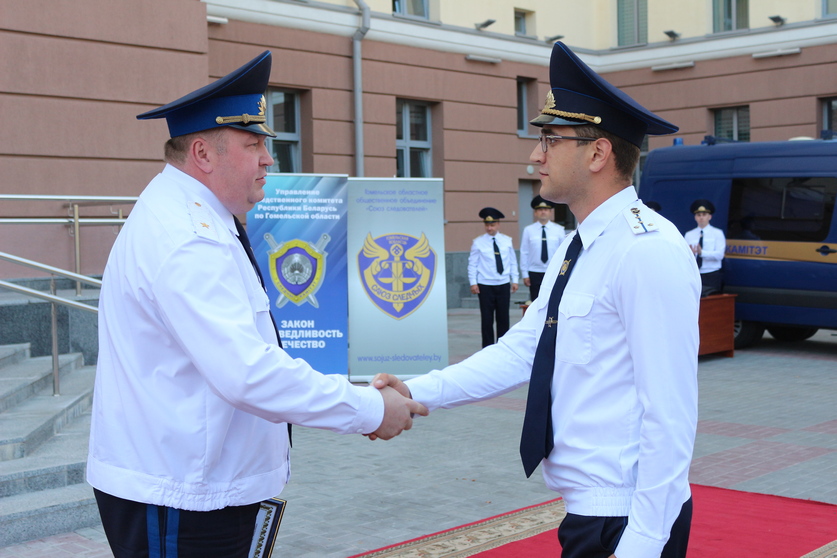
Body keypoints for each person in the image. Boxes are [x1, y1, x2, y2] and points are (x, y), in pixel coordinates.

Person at [86, 51, 426, 558]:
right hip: (182, 495)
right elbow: (247, 372)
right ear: (203, 154)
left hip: (195, 483)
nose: (269, 158)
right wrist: (369, 408)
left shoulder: (196, 217)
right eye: (254, 144)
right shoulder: (189, 237)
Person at [375, 42, 700, 558]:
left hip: (628, 517)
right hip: (591, 512)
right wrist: (415, 389)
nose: (535, 155)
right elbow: (522, 349)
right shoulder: (580, 244)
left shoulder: (646, 249)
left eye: (550, 139)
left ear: (598, 153)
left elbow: (671, 410)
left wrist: (643, 541)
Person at [468, 207, 519, 347]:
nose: (489, 228)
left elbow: (512, 261)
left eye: (492, 225)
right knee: (487, 319)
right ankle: (487, 348)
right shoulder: (478, 242)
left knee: (503, 318)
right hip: (485, 285)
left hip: (503, 284)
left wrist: (515, 280)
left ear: (498, 224)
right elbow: (472, 264)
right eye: (487, 225)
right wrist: (473, 282)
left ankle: (503, 347)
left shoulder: (507, 241)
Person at [519, 195, 566, 301]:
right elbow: (524, 252)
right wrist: (525, 274)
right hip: (534, 272)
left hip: (553, 271)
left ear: (550, 212)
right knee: (536, 301)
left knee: (553, 300)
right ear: (535, 213)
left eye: (546, 209)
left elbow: (563, 252)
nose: (543, 212)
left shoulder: (559, 230)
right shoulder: (528, 230)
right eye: (540, 210)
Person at [684, 199, 726, 296]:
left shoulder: (717, 233)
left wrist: (702, 253)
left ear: (709, 217)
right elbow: (684, 255)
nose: (701, 217)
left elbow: (720, 255)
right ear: (695, 217)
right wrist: (691, 254)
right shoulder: (689, 234)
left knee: (712, 301)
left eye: (704, 215)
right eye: (698, 215)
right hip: (695, 273)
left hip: (711, 273)